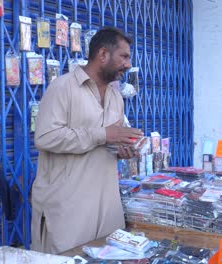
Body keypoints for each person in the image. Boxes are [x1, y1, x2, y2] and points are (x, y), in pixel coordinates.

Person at [31, 27, 143, 254]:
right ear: (103, 55)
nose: (128, 64)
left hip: (107, 210)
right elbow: (45, 137)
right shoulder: (62, 87)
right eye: (124, 56)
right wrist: (103, 134)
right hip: (68, 212)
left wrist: (123, 148)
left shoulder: (115, 96)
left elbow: (108, 141)